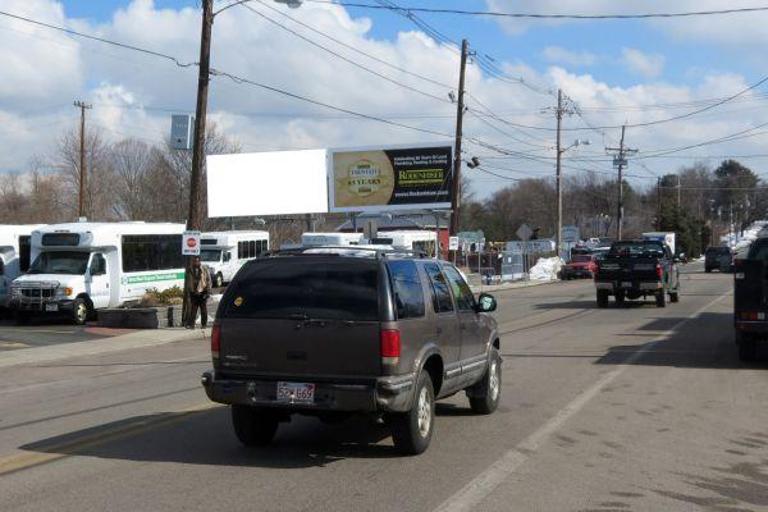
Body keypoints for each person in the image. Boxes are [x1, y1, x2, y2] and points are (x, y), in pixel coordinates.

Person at [187, 256, 212, 329]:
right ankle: (192, 324)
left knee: (203, 309)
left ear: (200, 261)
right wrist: (191, 291)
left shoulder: (204, 269)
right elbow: (189, 281)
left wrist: (208, 291)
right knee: (193, 309)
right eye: (195, 261)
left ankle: (204, 324)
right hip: (194, 292)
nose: (196, 263)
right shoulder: (190, 269)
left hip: (203, 291)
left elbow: (208, 280)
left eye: (197, 261)